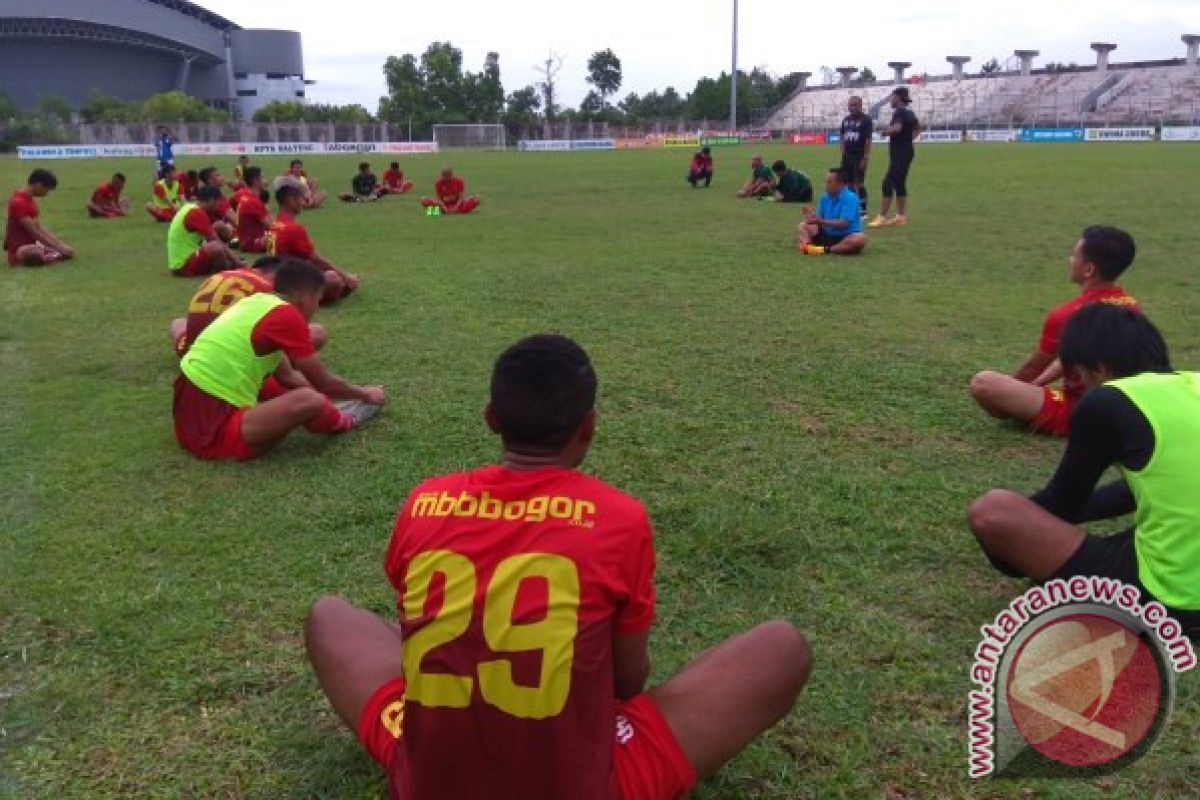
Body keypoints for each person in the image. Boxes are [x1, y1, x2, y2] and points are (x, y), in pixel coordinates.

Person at [304, 333, 812, 799]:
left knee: (330, 616)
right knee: (781, 649)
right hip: (583, 781)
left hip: (430, 780)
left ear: (490, 418)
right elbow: (627, 684)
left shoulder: (424, 501)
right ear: (588, 425)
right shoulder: (618, 517)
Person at [968, 304, 1200, 638]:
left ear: (1100, 369)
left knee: (994, 511)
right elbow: (1141, 489)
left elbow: (1063, 503)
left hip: (1173, 605)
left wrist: (1023, 533)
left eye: (1077, 377)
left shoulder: (1108, 402)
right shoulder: (1188, 386)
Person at [174, 259, 384, 461]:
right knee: (309, 400)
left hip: (187, 411)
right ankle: (346, 420)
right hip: (212, 427)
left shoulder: (257, 301)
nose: (317, 308)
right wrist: (364, 393)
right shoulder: (287, 316)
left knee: (291, 390)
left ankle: (328, 412)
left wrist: (330, 399)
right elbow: (323, 381)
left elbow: (288, 376)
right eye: (318, 301)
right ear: (307, 298)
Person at [969, 226, 1140, 437]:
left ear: (1088, 270)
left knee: (983, 382)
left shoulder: (1067, 314)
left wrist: (1013, 393)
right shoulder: (1132, 306)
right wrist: (1037, 386)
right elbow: (1069, 357)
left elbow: (1033, 368)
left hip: (1082, 412)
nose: (1070, 260)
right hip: (1129, 408)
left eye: (1074, 255)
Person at [169, 256, 327, 357]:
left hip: (190, 350)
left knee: (178, 322)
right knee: (317, 332)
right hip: (229, 359)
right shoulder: (268, 288)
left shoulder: (225, 275)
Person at [265, 182, 357, 303]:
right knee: (334, 279)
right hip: (289, 281)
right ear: (291, 200)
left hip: (277, 274)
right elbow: (316, 258)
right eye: (302, 198)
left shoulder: (275, 224)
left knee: (325, 273)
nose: (304, 203)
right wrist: (345, 277)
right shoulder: (293, 228)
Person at [868, 87, 920, 228]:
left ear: (898, 97)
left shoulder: (899, 112)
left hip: (900, 153)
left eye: (892, 97)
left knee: (887, 183)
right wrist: (907, 140)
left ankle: (882, 217)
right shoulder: (910, 113)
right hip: (907, 151)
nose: (890, 99)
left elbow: (897, 128)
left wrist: (885, 132)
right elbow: (917, 129)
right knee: (899, 183)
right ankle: (900, 217)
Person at [167, 185, 243, 278]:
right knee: (216, 247)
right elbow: (215, 240)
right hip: (183, 266)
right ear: (211, 200)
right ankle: (228, 269)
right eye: (217, 203)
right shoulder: (196, 213)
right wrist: (236, 261)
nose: (218, 206)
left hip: (189, 254)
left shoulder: (190, 206)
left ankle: (229, 261)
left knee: (218, 225)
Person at [6, 169, 74, 267]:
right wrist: (58, 248)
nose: (47, 193)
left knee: (68, 251)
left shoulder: (30, 201)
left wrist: (60, 244)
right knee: (32, 252)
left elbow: (38, 227)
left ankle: (49, 256)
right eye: (47, 189)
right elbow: (34, 232)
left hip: (35, 244)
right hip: (20, 250)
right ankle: (50, 256)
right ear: (38, 185)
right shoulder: (18, 202)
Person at [796, 168, 867, 256]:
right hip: (826, 234)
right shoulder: (824, 198)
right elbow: (819, 221)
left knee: (859, 239)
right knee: (803, 226)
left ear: (840, 184)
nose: (825, 185)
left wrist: (819, 221)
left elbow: (843, 224)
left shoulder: (850, 198)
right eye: (826, 182)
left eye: (829, 182)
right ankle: (808, 247)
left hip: (844, 236)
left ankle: (826, 250)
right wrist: (811, 217)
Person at [839, 96, 873, 217]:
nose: (852, 107)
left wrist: (865, 157)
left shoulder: (866, 120)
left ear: (860, 106)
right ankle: (853, 209)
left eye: (854, 105)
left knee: (859, 184)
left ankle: (863, 211)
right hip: (847, 156)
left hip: (859, 156)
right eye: (850, 105)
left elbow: (868, 140)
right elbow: (842, 136)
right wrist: (842, 150)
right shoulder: (845, 120)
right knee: (847, 184)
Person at [232, 167, 272, 253]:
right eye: (263, 178)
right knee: (285, 235)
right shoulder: (253, 201)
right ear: (255, 181)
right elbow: (271, 226)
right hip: (253, 244)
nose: (266, 181)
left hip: (246, 240)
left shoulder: (247, 197)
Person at [198, 166, 236, 241]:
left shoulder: (207, 193)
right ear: (210, 180)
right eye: (217, 175)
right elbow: (235, 220)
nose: (221, 177)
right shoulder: (215, 198)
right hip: (213, 232)